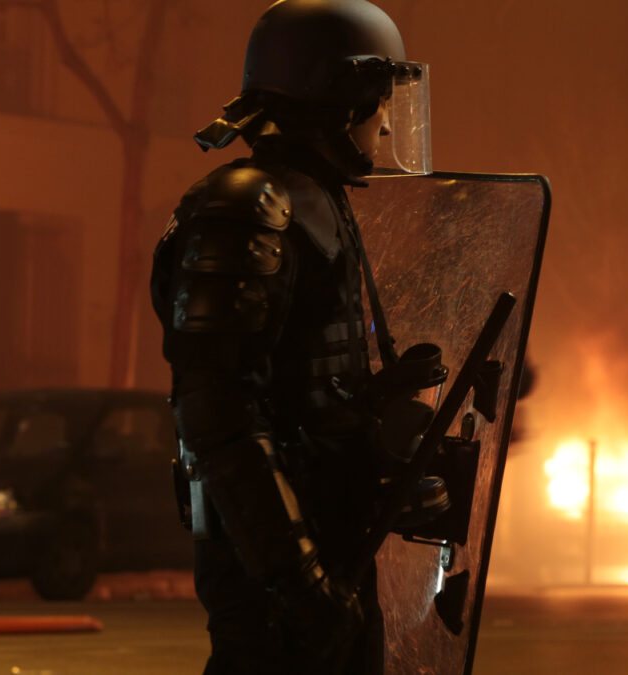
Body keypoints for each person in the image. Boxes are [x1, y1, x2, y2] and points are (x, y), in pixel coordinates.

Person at [150, 1, 442, 672]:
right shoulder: (247, 207)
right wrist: (302, 585)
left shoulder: (312, 200)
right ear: (342, 101)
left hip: (329, 555)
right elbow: (221, 421)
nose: (388, 120)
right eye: (379, 100)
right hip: (274, 580)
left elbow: (295, 396)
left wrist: (373, 401)